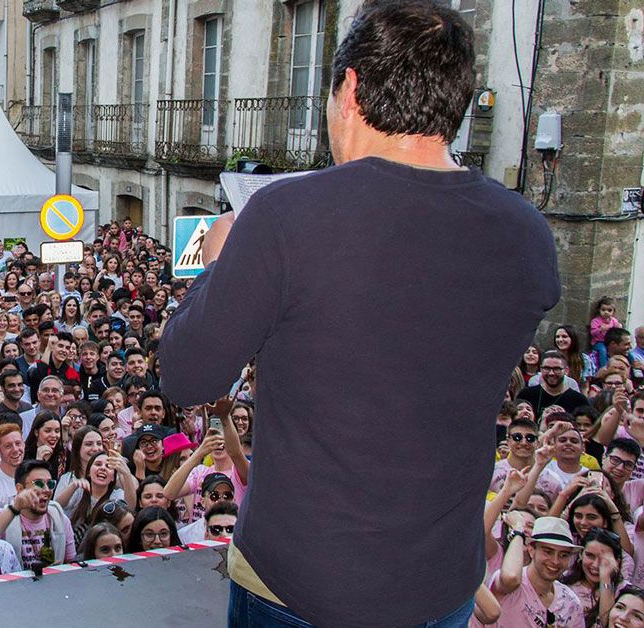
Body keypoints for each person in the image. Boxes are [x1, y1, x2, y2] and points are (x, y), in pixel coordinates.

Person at [157, 2, 560, 624]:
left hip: (302, 586)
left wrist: (218, 260)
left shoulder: (287, 216)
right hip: (441, 586)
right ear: (455, 102)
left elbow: (186, 375)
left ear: (349, 88)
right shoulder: (528, 232)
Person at [491, 513, 584, 627]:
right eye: (548, 552)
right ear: (531, 550)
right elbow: (510, 578)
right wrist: (518, 532)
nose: (555, 561)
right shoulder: (512, 583)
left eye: (563, 555)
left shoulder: (571, 603)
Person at [0, 460, 76, 571]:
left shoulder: (59, 518)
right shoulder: (5, 517)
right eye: (38, 484)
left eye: (50, 484)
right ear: (20, 489)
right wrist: (15, 508)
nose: (46, 490)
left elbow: (71, 563)